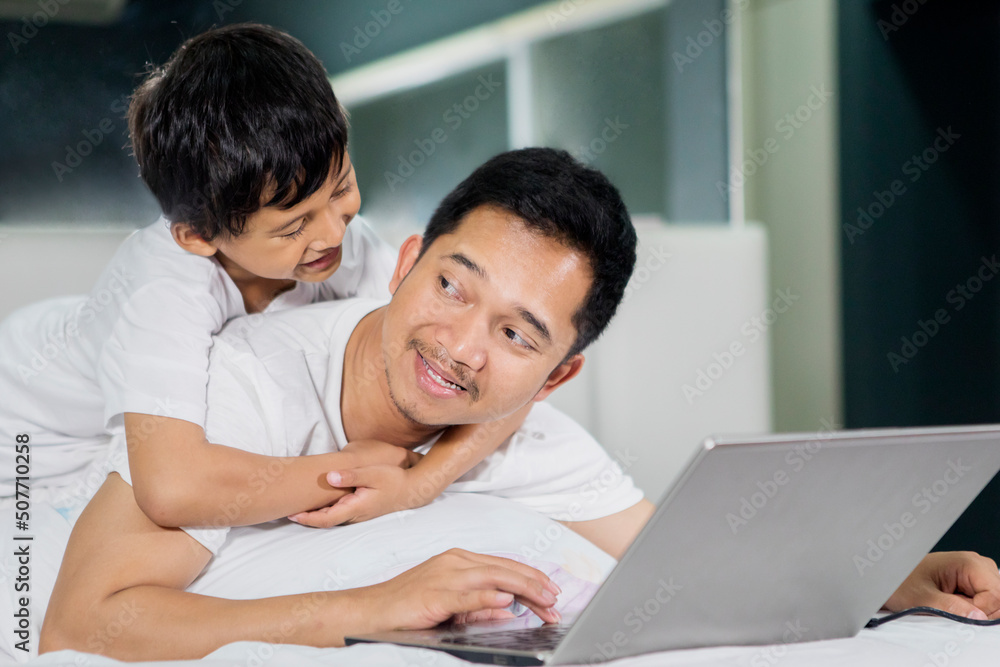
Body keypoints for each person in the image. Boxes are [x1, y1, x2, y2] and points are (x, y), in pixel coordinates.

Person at [38, 149, 1000, 660]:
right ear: (405, 261)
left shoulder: (528, 436)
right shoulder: (241, 381)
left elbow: (693, 557)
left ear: (556, 377)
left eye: (518, 334)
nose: (460, 348)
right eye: (452, 286)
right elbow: (81, 625)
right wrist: (368, 609)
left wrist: (896, 577)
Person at [0, 23, 529, 532]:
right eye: (294, 225)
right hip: (25, 432)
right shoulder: (162, 286)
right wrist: (346, 473)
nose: (331, 234)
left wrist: (421, 483)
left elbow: (520, 379)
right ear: (199, 235)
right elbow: (170, 488)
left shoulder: (349, 242)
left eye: (341, 187)